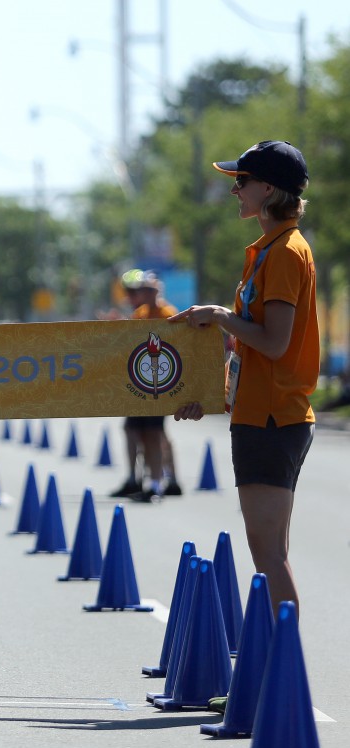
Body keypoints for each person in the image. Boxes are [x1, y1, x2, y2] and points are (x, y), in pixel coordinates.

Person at [171, 140, 317, 620]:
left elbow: (273, 343)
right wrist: (208, 393)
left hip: (273, 418)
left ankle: (282, 676)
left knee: (269, 554)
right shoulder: (268, 250)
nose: (235, 191)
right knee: (269, 551)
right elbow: (249, 350)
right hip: (262, 413)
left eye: (242, 182)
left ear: (269, 189)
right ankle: (276, 674)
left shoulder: (285, 253)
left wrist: (218, 315)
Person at [113, 270, 183, 502]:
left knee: (155, 433)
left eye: (145, 290)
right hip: (138, 384)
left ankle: (160, 481)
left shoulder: (167, 313)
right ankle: (137, 478)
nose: (141, 294)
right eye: (137, 291)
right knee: (135, 431)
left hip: (158, 384)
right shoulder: (140, 314)